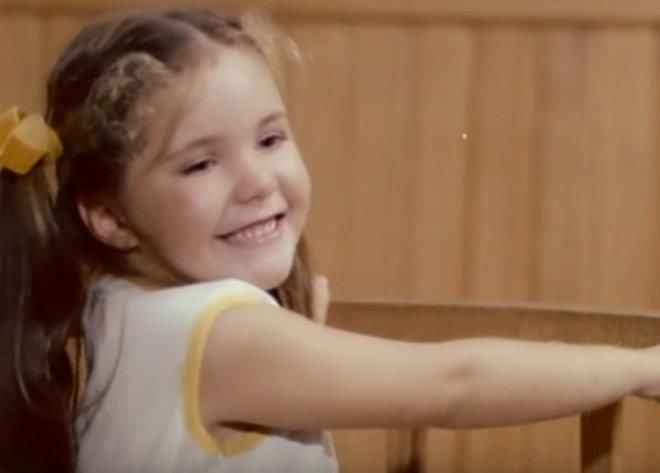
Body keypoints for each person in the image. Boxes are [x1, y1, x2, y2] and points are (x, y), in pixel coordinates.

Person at [1, 7, 660, 473]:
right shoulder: (223, 332)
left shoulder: (102, 307)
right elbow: (455, 383)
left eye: (270, 138)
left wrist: (296, 337)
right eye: (200, 164)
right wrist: (639, 367)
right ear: (109, 216)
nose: (258, 181)